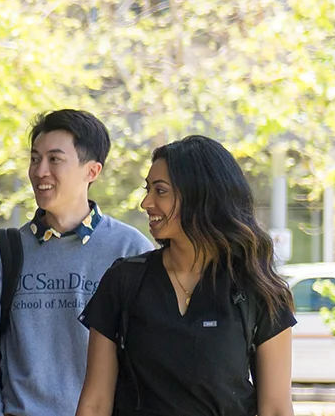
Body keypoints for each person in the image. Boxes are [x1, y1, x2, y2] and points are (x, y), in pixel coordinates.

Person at [75, 136, 297, 416]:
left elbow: (276, 408)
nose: (146, 202)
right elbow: (95, 403)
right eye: (148, 190)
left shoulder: (258, 290)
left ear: (199, 195)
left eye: (160, 191)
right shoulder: (123, 281)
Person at [0, 109, 155, 416]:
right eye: (35, 158)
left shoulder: (130, 250)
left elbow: (150, 354)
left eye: (54, 159)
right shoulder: (4, 254)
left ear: (92, 171)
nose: (40, 171)